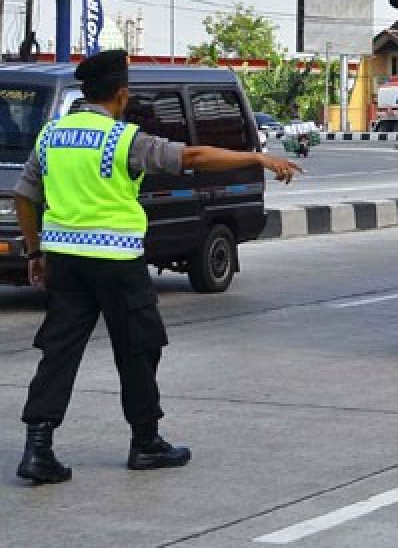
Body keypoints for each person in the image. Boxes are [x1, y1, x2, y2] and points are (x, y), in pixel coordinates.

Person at [13, 50, 301, 485]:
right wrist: (258, 159)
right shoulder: (122, 139)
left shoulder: (51, 135)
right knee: (139, 347)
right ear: (122, 94)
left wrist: (35, 254)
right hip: (116, 263)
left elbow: (24, 195)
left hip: (65, 263)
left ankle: (37, 449)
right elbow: (193, 157)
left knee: (59, 351)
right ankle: (145, 443)